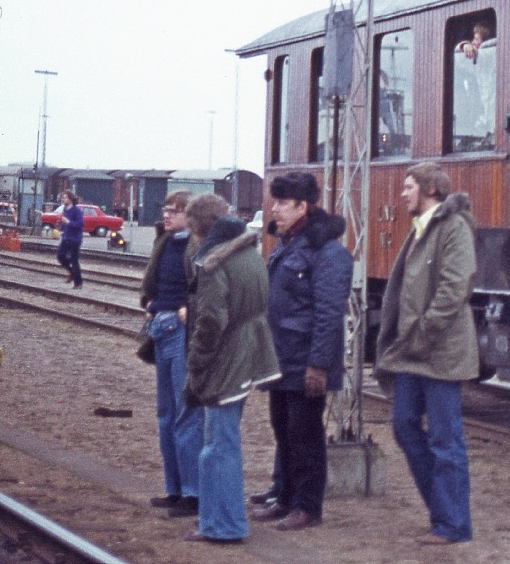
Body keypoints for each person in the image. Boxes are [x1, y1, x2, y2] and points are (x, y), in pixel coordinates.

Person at [375, 162, 479, 545]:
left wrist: (423, 332)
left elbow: (455, 287)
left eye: (408, 187)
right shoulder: (420, 230)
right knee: (404, 426)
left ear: (429, 190)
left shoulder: (453, 228)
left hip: (439, 352)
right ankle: (441, 512)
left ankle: (453, 524)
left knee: (445, 439)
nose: (402, 194)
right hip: (412, 351)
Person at [252, 172, 351, 532]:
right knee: (283, 430)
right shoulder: (287, 244)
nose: (274, 209)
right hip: (281, 357)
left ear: (302, 207)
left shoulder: (328, 253)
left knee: (304, 434)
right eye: (274, 201)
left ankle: (307, 506)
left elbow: (328, 313)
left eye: (282, 203)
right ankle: (286, 498)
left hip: (305, 360)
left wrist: (319, 366)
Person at [181, 193, 281, 544]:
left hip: (226, 360)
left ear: (198, 229)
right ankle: (219, 521)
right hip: (251, 351)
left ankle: (223, 525)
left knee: (218, 447)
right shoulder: (249, 253)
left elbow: (209, 322)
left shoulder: (213, 263)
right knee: (224, 442)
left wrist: (196, 365)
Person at [139, 190, 204, 518]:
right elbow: (151, 282)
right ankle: (174, 488)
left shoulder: (196, 247)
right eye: (166, 210)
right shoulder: (163, 243)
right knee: (165, 414)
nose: (167, 216)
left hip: (181, 334)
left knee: (186, 413)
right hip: (160, 329)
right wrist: (148, 303)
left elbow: (204, 288)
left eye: (175, 212)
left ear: (189, 217)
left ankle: (193, 494)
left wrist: (186, 311)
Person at [56, 191, 85, 288]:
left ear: (70, 199)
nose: (63, 200)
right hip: (66, 237)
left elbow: (80, 225)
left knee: (74, 260)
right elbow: (65, 224)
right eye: (62, 198)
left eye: (64, 198)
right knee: (60, 256)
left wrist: (68, 222)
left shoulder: (77, 211)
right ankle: (71, 272)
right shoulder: (65, 209)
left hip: (75, 239)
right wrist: (61, 226)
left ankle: (78, 283)